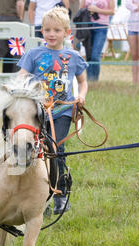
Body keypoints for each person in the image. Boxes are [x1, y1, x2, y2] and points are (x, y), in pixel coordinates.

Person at [17, 6, 88, 214]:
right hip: (36, 111)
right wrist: (20, 88)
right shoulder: (33, 54)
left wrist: (81, 96)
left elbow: (83, 82)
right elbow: (21, 75)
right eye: (47, 30)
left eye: (57, 30)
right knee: (36, 150)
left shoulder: (73, 56)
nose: (51, 34)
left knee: (56, 149)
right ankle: (40, 196)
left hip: (62, 111)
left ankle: (60, 194)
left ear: (66, 32)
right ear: (42, 31)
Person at [79, 0, 115, 81]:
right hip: (87, 25)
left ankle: (94, 81)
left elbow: (112, 11)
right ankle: (88, 81)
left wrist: (97, 10)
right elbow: (81, 8)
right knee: (88, 55)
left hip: (101, 27)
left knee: (95, 55)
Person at [0, 0, 24, 73]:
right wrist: (20, 18)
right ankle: (17, 75)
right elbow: (20, 4)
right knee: (17, 51)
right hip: (13, 18)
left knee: (1, 49)